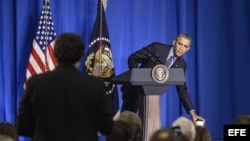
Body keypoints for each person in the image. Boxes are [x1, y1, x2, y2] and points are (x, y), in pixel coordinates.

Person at [15, 33, 114, 141]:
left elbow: (22, 126)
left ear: (55, 54)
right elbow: (107, 127)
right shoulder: (94, 85)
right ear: (81, 55)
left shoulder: (35, 83)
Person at [121, 33, 205, 123]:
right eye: (180, 44)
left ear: (188, 49)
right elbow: (133, 58)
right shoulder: (156, 48)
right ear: (174, 42)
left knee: (148, 126)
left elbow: (182, 91)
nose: (181, 48)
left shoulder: (182, 65)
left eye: (185, 46)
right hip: (134, 92)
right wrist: (136, 79)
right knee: (126, 125)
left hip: (153, 98)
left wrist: (193, 113)